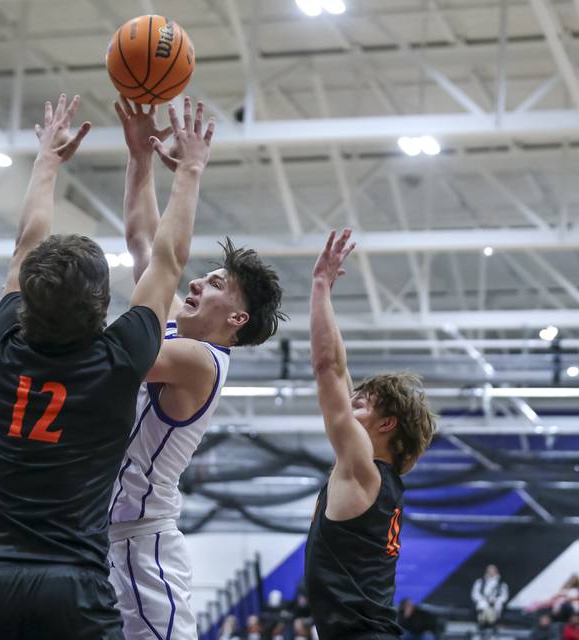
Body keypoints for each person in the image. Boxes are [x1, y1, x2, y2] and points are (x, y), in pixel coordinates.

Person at [0, 94, 215, 639]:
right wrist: (189, 169)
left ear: (27, 302)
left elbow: (26, 243)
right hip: (73, 586)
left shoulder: (4, 347)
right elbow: (168, 257)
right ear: (102, 307)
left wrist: (47, 160)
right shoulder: (120, 360)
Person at [107, 95, 286, 640]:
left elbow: (165, 262)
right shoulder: (165, 332)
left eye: (214, 283)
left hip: (141, 545)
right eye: (203, 276)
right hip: (97, 536)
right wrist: (140, 157)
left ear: (236, 317)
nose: (195, 284)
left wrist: (190, 171)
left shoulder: (200, 362)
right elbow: (144, 241)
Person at [304, 229, 437, 640]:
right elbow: (339, 376)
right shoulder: (382, 482)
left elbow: (329, 369)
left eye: (361, 403)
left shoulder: (363, 471)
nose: (350, 402)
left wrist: (321, 286)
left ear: (386, 424)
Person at [471, 565, 509, 635]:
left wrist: (495, 600)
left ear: (496, 571)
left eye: (493, 570)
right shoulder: (480, 582)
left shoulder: (502, 583)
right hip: (483, 601)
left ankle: (492, 624)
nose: (491, 572)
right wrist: (484, 599)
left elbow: (504, 596)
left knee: (498, 606)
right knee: (482, 605)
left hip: (495, 602)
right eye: (489, 570)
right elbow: (475, 594)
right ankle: (482, 624)